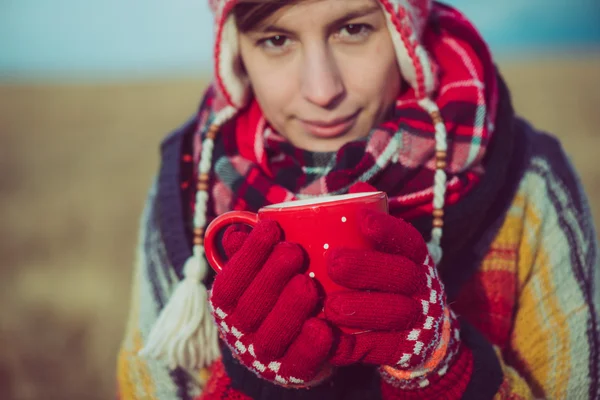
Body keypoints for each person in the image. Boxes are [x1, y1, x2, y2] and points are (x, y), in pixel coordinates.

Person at [116, 0, 600, 399]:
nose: (322, 89)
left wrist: (441, 369)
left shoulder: (527, 177)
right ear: (235, 52)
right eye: (276, 40)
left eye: (352, 28)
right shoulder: (192, 181)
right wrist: (262, 383)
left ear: (402, 29)